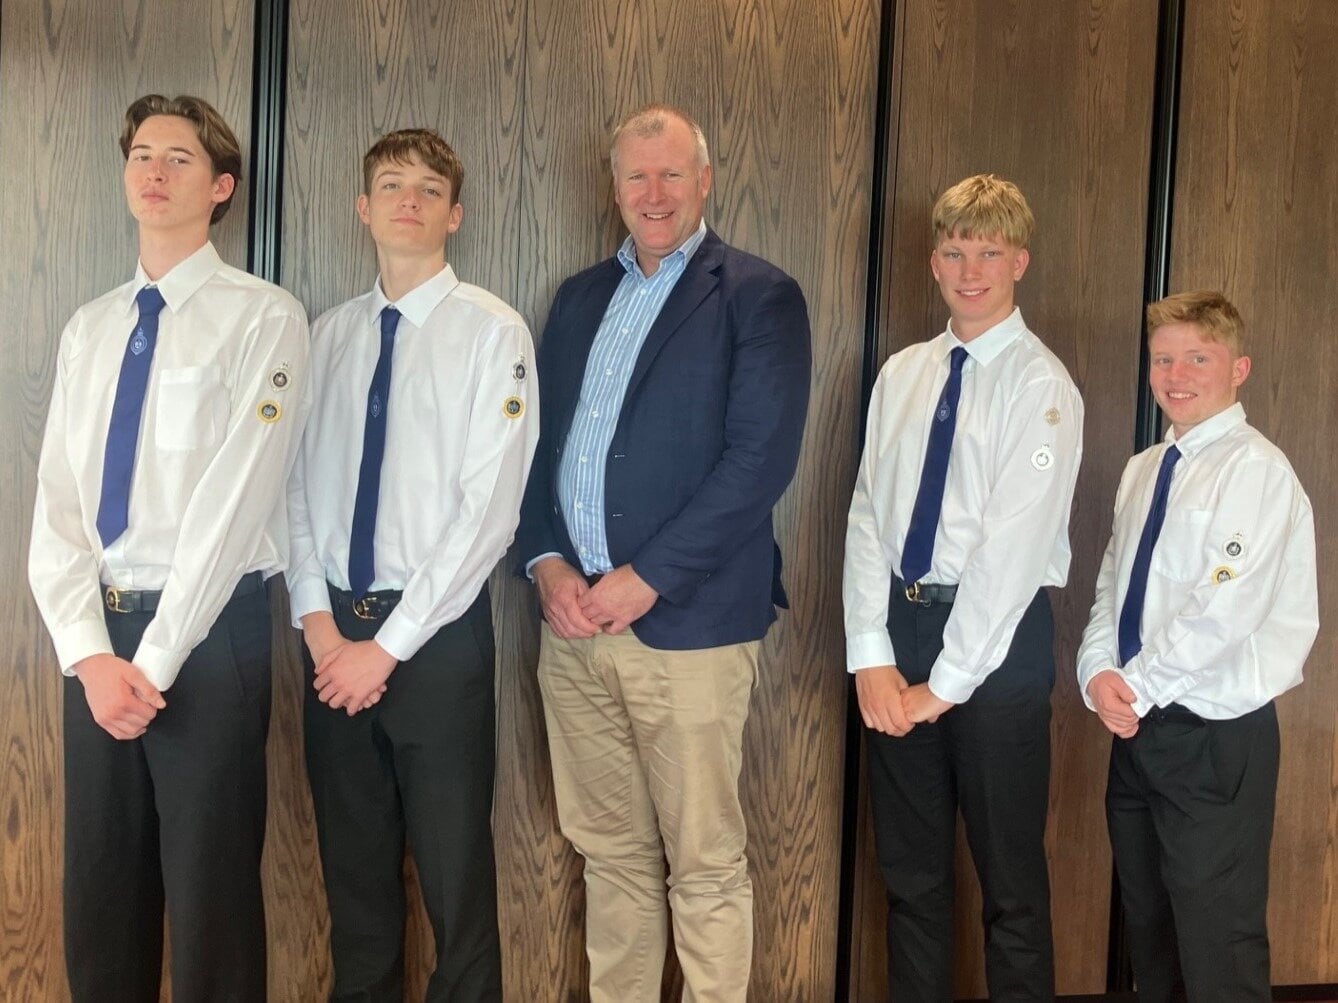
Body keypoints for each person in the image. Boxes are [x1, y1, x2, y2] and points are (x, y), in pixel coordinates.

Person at [516, 103, 810, 1002]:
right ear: (613, 187)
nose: (654, 193)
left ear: (705, 180)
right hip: (575, 630)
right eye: (637, 176)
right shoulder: (577, 299)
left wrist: (644, 579)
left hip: (689, 627)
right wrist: (547, 564)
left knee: (705, 862)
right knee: (610, 856)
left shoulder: (758, 295)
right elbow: (535, 447)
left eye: (672, 173)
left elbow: (759, 464)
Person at [27, 94, 309, 1001]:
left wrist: (151, 664)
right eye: (142, 154)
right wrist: (88, 654)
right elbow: (59, 501)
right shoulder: (90, 326)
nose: (154, 171)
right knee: (100, 891)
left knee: (210, 893)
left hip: (209, 635)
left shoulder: (263, 317)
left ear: (222, 187)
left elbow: (235, 504)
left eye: (179, 158)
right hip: (100, 646)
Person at [285, 128, 536, 1000]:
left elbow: (489, 512)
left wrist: (385, 648)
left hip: (434, 640)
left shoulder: (492, 332)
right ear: (363, 207)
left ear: (454, 214)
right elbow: (293, 490)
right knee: (353, 884)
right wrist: (321, 630)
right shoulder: (326, 336)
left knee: (456, 880)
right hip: (331, 642)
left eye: (430, 188)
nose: (409, 200)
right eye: (391, 184)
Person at [844, 174, 1083, 1001]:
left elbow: (1011, 554)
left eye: (988, 252)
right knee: (910, 876)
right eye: (953, 252)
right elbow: (868, 514)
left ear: (1019, 261)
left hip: (995, 646)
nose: (969, 270)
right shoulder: (903, 373)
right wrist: (871, 654)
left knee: (1010, 882)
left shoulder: (1041, 386)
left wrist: (944, 686)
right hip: (899, 631)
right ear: (933, 261)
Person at [1077, 291, 1317, 1003]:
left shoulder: (1256, 470)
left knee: (1218, 944)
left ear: (1239, 368)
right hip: (1136, 731)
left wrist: (1137, 686)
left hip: (1213, 737)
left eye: (1197, 359)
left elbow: (1224, 608)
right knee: (1152, 935)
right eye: (1163, 359)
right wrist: (1097, 672)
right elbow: (1114, 583)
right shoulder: (1145, 468)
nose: (1176, 375)